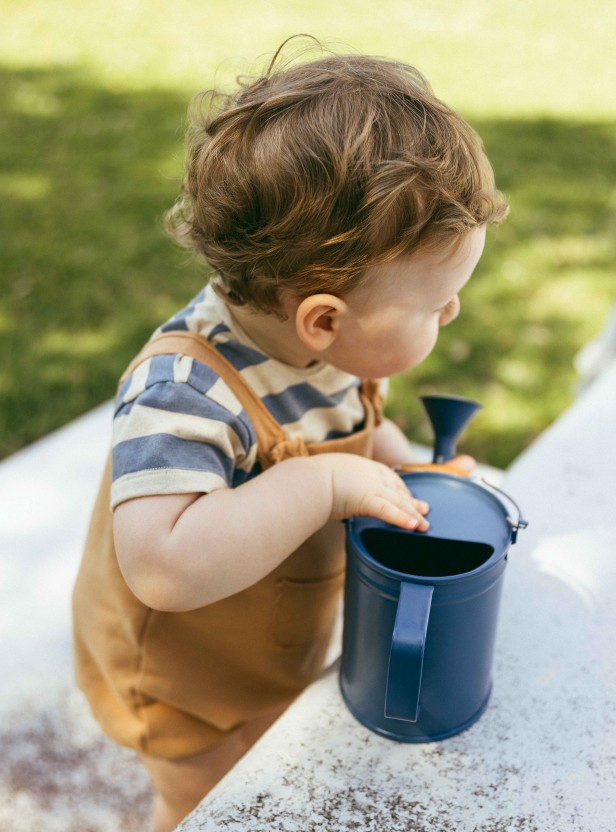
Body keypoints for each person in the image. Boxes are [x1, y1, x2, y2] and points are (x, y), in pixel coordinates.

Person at [72, 38, 508, 832]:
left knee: (265, 761)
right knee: (205, 802)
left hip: (270, 649)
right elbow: (163, 567)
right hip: (184, 686)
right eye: (439, 303)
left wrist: (407, 469)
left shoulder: (327, 349)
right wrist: (323, 485)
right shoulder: (185, 394)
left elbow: (349, 432)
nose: (452, 315)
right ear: (325, 317)